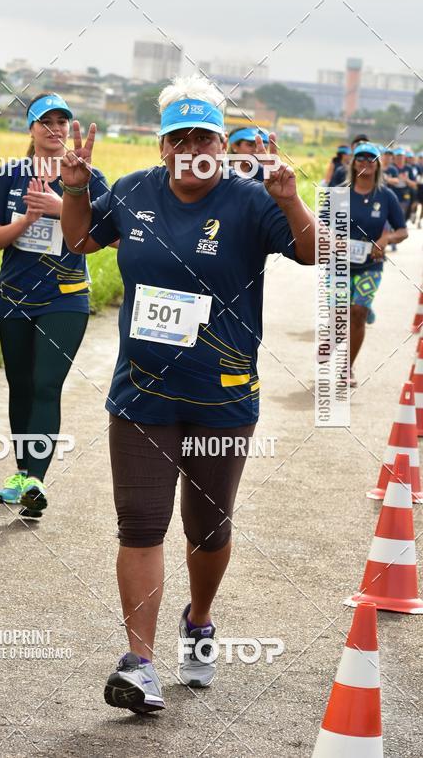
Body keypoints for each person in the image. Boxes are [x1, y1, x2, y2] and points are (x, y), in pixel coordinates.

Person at [60, 75, 316, 713]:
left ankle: (199, 620)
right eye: (179, 137)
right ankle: (138, 663)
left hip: (220, 395)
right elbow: (79, 240)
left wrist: (291, 202)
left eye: (204, 136)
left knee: (208, 529)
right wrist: (71, 190)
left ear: (223, 144)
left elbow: (317, 255)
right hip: (142, 392)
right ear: (162, 144)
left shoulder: (252, 201)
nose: (191, 148)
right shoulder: (133, 191)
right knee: (141, 525)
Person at [0, 93, 110, 517]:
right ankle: (22, 473)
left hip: (66, 296)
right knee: (19, 386)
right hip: (13, 297)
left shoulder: (90, 176)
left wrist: (62, 206)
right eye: (44, 121)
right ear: (30, 128)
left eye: (61, 120)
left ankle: (36, 478)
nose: (53, 128)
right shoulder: (9, 175)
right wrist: (26, 221)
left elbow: (109, 236)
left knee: (45, 385)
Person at [347, 142, 407, 387]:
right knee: (336, 315)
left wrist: (386, 238)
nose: (365, 162)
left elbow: (402, 231)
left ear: (378, 165)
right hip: (338, 264)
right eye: (360, 158)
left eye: (370, 159)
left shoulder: (386, 196)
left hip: (371, 264)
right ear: (353, 163)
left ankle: (346, 368)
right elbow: (320, 226)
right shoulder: (340, 193)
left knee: (357, 313)